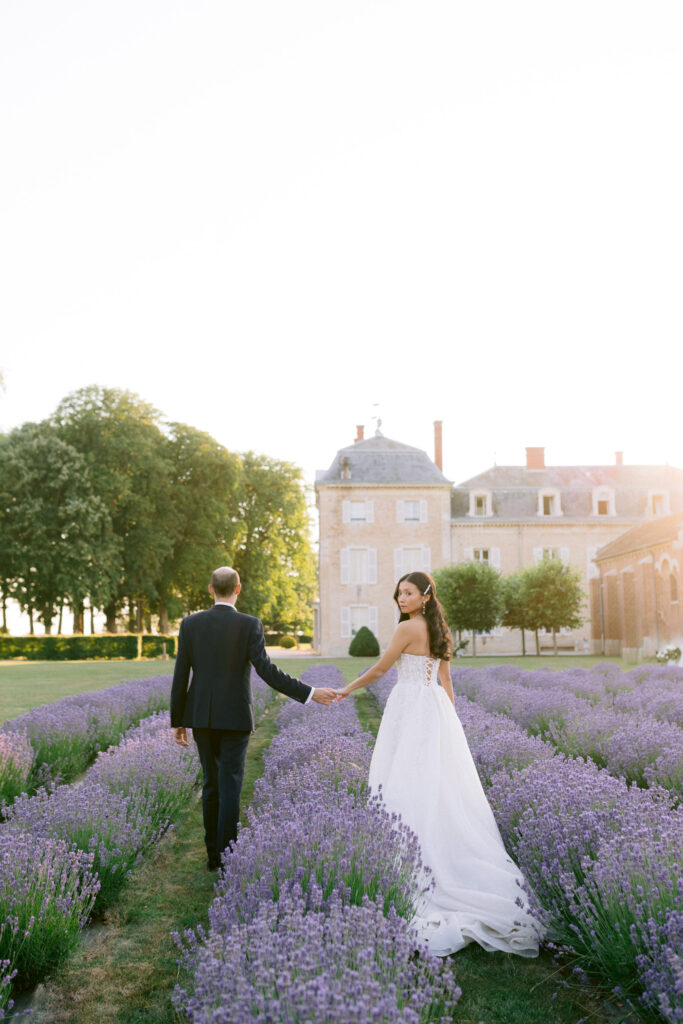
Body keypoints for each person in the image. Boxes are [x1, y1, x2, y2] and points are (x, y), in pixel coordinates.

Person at [336, 570, 541, 957]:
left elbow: (381, 669)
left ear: (425, 597)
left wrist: (346, 690)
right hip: (433, 709)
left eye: (408, 593)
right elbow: (447, 683)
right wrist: (451, 723)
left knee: (403, 781)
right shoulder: (440, 630)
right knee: (435, 782)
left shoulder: (408, 629)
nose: (401, 599)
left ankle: (412, 861)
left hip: (411, 708)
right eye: (399, 593)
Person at [171, 566, 337, 870]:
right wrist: (310, 692)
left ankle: (212, 858)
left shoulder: (190, 624)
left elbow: (181, 674)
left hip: (201, 717)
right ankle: (226, 856)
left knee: (211, 785)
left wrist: (178, 721)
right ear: (238, 588)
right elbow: (268, 672)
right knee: (230, 783)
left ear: (211, 589)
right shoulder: (249, 625)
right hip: (235, 716)